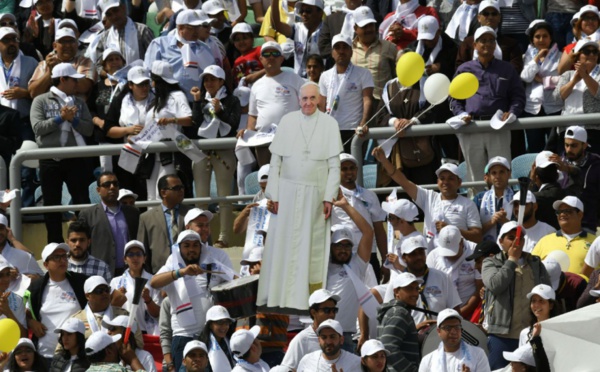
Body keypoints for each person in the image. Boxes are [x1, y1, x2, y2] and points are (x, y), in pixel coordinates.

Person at [256, 82, 343, 313]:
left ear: (319, 100)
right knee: (282, 244)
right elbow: (276, 162)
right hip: (286, 192)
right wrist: (272, 194)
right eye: (304, 98)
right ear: (298, 100)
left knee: (311, 247)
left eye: (313, 98)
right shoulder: (287, 121)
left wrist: (328, 197)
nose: (308, 103)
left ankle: (307, 299)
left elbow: (334, 166)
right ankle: (278, 297)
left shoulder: (329, 124)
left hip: (314, 195)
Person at [451, 26, 526, 187]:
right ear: (475, 45)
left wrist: (512, 112)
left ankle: (503, 209)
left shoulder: (507, 69)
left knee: (502, 174)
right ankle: (478, 211)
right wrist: (461, 114)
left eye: (491, 40)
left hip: (499, 127)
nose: (488, 44)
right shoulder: (464, 69)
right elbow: (454, 99)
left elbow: (518, 96)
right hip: (472, 127)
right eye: (483, 40)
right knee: (475, 178)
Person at [30, 62, 93, 243]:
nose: (77, 84)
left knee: (82, 203)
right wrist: (60, 119)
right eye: (74, 80)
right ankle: (55, 246)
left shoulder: (80, 103)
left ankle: (85, 244)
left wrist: (73, 121)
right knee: (51, 206)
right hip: (49, 159)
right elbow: (38, 128)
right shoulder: (40, 100)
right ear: (63, 79)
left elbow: (88, 130)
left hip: (75, 158)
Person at [150, 230, 229, 371]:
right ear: (179, 248)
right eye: (186, 245)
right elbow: (154, 282)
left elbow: (234, 279)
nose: (191, 249)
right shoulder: (172, 267)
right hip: (183, 338)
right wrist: (181, 272)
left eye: (195, 245)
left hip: (209, 337)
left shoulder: (211, 267)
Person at [373, 148, 483, 246]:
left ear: (459, 182)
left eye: (451, 178)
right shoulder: (429, 197)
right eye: (442, 178)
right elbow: (403, 182)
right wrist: (384, 160)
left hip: (460, 258)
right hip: (433, 258)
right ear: (437, 181)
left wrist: (452, 230)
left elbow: (477, 236)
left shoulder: (468, 204)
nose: (445, 182)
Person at [482, 221, 550, 369]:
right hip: (502, 335)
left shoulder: (535, 263)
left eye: (520, 238)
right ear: (501, 241)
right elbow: (495, 285)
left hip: (531, 334)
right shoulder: (490, 262)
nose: (516, 241)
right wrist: (512, 260)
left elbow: (547, 292)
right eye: (511, 237)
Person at [190, 64, 241, 248]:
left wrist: (219, 109)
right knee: (201, 197)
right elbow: (195, 125)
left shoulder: (232, 100)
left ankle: (224, 238)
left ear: (221, 81)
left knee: (224, 196)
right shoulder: (201, 100)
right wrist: (196, 101)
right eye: (206, 79)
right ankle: (201, 237)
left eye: (212, 79)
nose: (208, 83)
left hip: (223, 151)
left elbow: (233, 124)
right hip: (203, 152)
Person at [238, 41, 305, 167]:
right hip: (263, 143)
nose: (271, 57)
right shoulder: (256, 85)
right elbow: (253, 116)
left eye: (275, 53)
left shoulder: (294, 78)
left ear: (281, 58)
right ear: (261, 59)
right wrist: (247, 132)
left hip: (291, 140)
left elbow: (307, 107)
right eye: (267, 54)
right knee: (267, 181)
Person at [27, 243, 88, 362]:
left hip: (75, 356)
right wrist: (31, 322)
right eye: (56, 257)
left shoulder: (81, 282)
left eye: (64, 256)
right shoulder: (36, 287)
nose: (62, 260)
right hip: (45, 355)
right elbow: (25, 312)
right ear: (46, 264)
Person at [141, 61, 193, 201]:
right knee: (151, 197)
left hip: (169, 152)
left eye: (153, 79)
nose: (151, 83)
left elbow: (189, 119)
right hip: (152, 154)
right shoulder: (155, 100)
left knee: (163, 194)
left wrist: (172, 120)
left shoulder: (177, 96)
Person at [332, 153, 387, 282]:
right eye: (344, 169)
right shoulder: (329, 195)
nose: (349, 172)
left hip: (368, 253)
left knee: (371, 297)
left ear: (357, 170)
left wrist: (385, 260)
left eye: (352, 168)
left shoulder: (370, 195)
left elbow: (379, 230)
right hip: (341, 254)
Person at [144, 10, 216, 103]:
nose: (196, 31)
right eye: (192, 28)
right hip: (166, 103)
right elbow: (148, 73)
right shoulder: (159, 44)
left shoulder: (204, 48)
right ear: (180, 27)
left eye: (198, 27)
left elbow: (212, 74)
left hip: (195, 103)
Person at [103, 65, 152, 200]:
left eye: (146, 83)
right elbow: (108, 130)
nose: (144, 88)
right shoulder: (120, 101)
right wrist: (127, 131)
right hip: (126, 158)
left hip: (151, 159)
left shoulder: (157, 100)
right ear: (130, 85)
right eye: (140, 84)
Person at [319, 33, 374, 152]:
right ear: (332, 52)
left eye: (345, 47)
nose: (341, 51)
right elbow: (321, 104)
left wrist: (363, 123)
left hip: (354, 129)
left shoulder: (363, 73)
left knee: (353, 167)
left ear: (351, 51)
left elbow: (367, 99)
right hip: (331, 129)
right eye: (337, 48)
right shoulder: (325, 76)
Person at [79, 171, 140, 276]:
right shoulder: (87, 215)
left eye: (115, 184)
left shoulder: (132, 212)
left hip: (129, 271)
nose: (112, 187)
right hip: (100, 272)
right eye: (107, 185)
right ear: (98, 190)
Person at [520, 20, 562, 153]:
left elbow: (563, 79)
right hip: (532, 108)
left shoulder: (560, 56)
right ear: (532, 39)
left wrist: (542, 80)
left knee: (554, 149)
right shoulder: (528, 56)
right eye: (537, 36)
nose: (541, 39)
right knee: (534, 148)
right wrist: (537, 57)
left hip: (554, 107)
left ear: (551, 38)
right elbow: (525, 76)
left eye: (545, 36)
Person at [69, 276, 144, 348]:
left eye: (107, 290)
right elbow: (62, 350)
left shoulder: (124, 315)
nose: (104, 293)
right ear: (88, 296)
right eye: (99, 291)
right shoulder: (77, 319)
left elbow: (139, 343)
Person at [138, 174, 191, 273]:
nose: (181, 190)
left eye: (182, 187)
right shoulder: (147, 218)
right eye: (176, 188)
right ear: (163, 193)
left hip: (188, 272)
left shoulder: (191, 213)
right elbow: (143, 252)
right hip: (160, 274)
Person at [551, 126, 600, 232]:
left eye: (574, 146)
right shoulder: (558, 162)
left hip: (587, 224)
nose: (569, 150)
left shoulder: (596, 165)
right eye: (566, 145)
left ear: (585, 145)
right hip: (560, 223)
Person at [532, 196, 596, 277]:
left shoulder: (595, 242)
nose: (562, 214)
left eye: (568, 211)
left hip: (585, 289)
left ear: (580, 214)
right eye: (559, 211)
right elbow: (532, 269)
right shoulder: (544, 241)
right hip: (551, 289)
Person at [553, 40, 600, 150]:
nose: (592, 55)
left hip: (593, 129)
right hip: (567, 128)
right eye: (587, 52)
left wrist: (585, 76)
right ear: (578, 55)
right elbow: (557, 98)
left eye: (595, 52)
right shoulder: (568, 74)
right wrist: (574, 81)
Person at [427, 225, 481, 319]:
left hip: (469, 315)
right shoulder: (433, 256)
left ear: (461, 242)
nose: (449, 256)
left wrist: (459, 315)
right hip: (441, 317)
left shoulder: (475, 252)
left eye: (452, 251)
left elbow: (480, 289)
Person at [455, 1, 524, 74]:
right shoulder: (468, 42)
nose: (490, 17)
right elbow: (460, 67)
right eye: (486, 14)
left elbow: (516, 69)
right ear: (479, 17)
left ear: (499, 17)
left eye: (494, 14)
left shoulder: (510, 44)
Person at [109, 240, 161, 336]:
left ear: (144, 258)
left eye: (139, 254)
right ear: (124, 259)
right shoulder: (116, 282)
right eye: (131, 254)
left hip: (147, 333)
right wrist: (118, 299)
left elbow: (158, 314)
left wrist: (148, 299)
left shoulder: (153, 280)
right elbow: (110, 312)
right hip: (124, 332)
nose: (135, 258)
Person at [87, 49, 126, 173]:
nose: (115, 62)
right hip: (103, 137)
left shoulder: (129, 85)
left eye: (117, 59)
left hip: (124, 136)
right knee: (107, 174)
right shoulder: (97, 87)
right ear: (104, 66)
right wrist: (98, 122)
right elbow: (90, 109)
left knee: (126, 173)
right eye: (110, 60)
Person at [280, 289, 340, 370]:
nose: (332, 314)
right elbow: (287, 369)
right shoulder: (302, 339)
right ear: (313, 312)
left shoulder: (340, 335)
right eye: (327, 310)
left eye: (334, 310)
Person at [28, 28, 96, 99]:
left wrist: (59, 68)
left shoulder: (84, 61)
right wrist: (49, 73)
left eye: (71, 41)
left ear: (76, 44)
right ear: (55, 46)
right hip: (49, 108)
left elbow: (84, 87)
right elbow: (33, 93)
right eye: (63, 41)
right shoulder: (45, 64)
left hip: (75, 107)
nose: (68, 45)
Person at [351, 6, 397, 109]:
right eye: (364, 26)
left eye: (371, 25)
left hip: (382, 105)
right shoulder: (349, 50)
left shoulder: (389, 47)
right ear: (355, 28)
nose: (368, 30)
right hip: (356, 105)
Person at [419, 309, 491, 371]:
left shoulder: (478, 354)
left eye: (457, 327)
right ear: (439, 331)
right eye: (448, 328)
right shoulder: (428, 360)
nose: (453, 332)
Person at [377, 273, 420, 372]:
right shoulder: (400, 313)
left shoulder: (394, 311)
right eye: (409, 289)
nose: (415, 294)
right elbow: (389, 347)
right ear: (396, 292)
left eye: (417, 289)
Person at [92, 0, 154, 67]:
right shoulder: (104, 38)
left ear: (123, 8)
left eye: (115, 10)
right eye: (109, 14)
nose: (114, 16)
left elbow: (154, 58)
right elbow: (99, 65)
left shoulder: (143, 31)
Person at [271, 0, 324, 77]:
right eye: (302, 11)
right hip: (298, 78)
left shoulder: (327, 30)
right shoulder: (297, 28)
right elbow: (277, 25)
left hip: (320, 79)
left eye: (308, 11)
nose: (304, 14)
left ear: (320, 13)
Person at [297, 319, 361, 372]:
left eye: (332, 337)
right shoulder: (307, 360)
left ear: (341, 340)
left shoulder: (355, 363)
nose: (328, 342)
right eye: (324, 337)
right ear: (319, 340)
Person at [479, 156, 514, 242]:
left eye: (501, 172)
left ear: (509, 174)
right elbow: (475, 232)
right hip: (486, 249)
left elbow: (523, 230)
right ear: (489, 176)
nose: (497, 176)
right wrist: (492, 222)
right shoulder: (479, 198)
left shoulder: (518, 197)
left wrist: (505, 221)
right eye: (494, 173)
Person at [557, 5, 600, 74]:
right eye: (586, 18)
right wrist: (578, 47)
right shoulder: (571, 47)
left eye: (594, 18)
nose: (590, 21)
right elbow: (561, 71)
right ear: (580, 23)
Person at [530, 151, 566, 230]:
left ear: (536, 175)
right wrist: (566, 168)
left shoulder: (535, 198)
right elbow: (578, 177)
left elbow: (524, 205)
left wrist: (531, 182)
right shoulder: (568, 193)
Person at [0, 214, 43, 280]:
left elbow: (43, 280)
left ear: (7, 231)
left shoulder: (24, 257)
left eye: (1, 228)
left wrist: (21, 278)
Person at [197, 305, 235, 371]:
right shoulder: (200, 346)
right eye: (219, 322)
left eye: (227, 322)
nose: (224, 326)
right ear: (210, 325)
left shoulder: (232, 341)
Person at [0, 258, 26, 335]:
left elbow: (24, 335)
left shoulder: (17, 299)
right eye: (0, 275)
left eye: (8, 274)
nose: (6, 279)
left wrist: (8, 312)